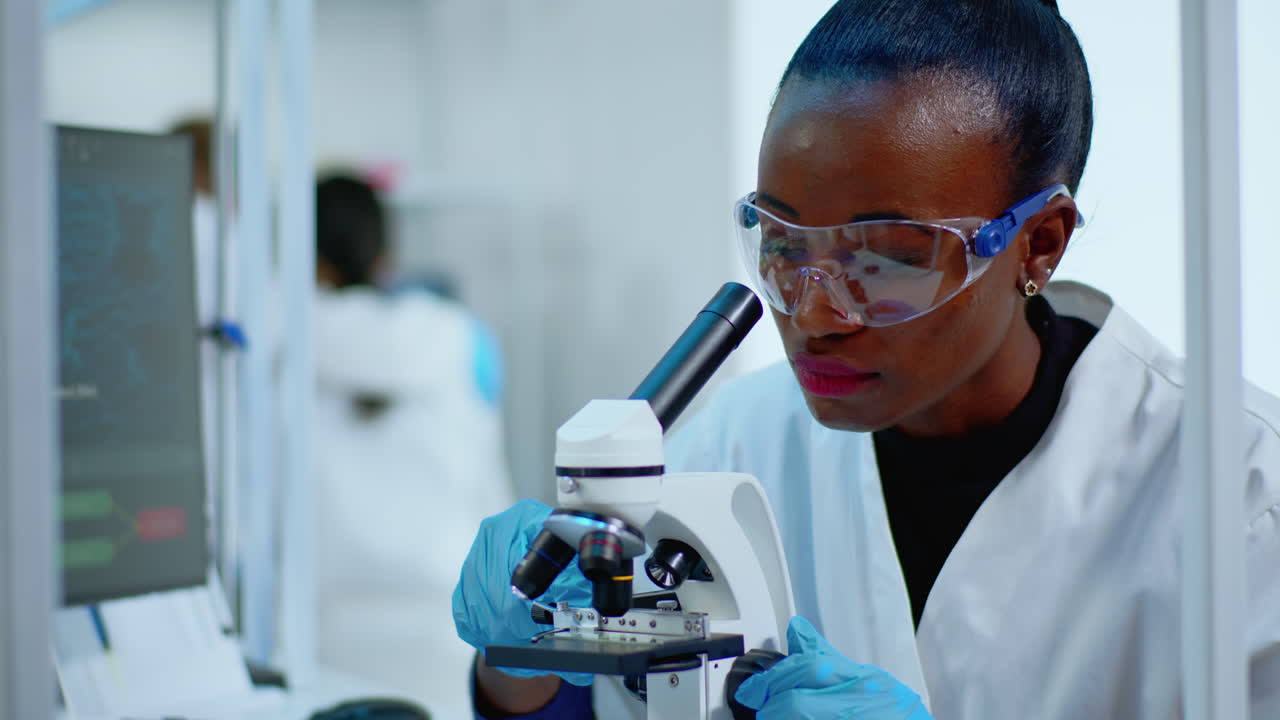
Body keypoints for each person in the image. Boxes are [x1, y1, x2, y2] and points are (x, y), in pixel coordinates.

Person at [452, 0, 1280, 718]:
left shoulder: (1241, 498)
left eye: (886, 256)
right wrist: (520, 662)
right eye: (781, 242)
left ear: (1039, 244)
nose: (813, 313)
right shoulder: (734, 448)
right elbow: (601, 711)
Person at [312, 174, 515, 718]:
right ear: (384, 253)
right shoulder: (460, 337)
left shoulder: (277, 340)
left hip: (327, 631)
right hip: (452, 618)